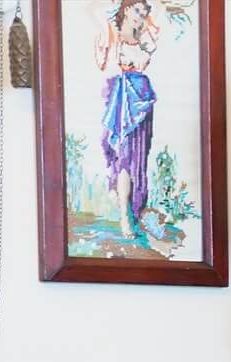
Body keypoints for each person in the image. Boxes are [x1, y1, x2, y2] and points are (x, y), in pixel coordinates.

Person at [95, 0, 158, 243]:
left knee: (138, 159)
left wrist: (145, 23)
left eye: (144, 12)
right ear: (127, 9)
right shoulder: (113, 36)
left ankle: (132, 212)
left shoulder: (146, 39)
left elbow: (145, 55)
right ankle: (124, 215)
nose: (141, 15)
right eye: (137, 10)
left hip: (141, 97)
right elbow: (105, 64)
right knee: (123, 157)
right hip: (122, 99)